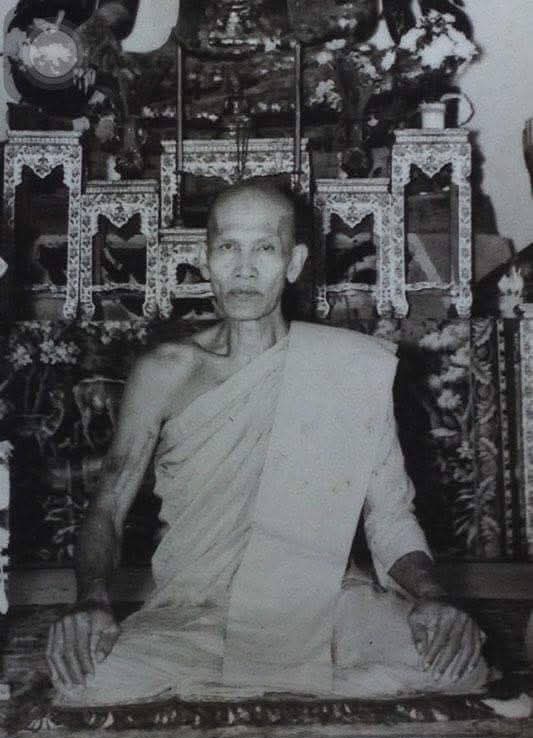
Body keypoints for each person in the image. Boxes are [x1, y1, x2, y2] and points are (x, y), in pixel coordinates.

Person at [47, 181, 489, 706]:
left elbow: (390, 517)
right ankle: (302, 681)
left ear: (294, 262)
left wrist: (431, 597)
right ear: (204, 259)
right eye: (227, 248)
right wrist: (92, 599)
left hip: (327, 600)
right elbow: (109, 503)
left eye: (264, 249)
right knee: (85, 680)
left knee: (460, 668)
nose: (244, 269)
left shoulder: (349, 367)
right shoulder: (164, 372)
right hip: (199, 608)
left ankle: (249, 682)